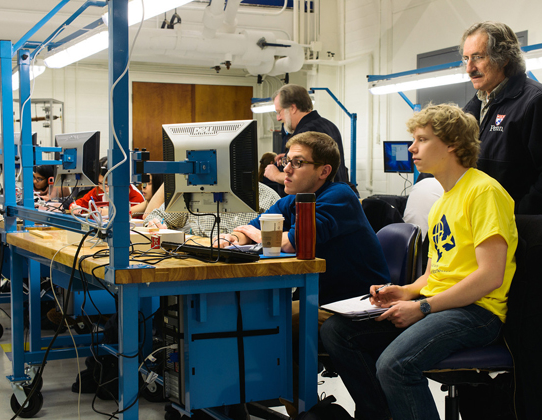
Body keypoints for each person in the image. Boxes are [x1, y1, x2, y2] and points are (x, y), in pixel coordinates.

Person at [320, 104, 518, 420]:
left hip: (476, 311)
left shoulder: (483, 192)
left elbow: (490, 276)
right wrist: (405, 292)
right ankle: (379, 414)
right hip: (440, 304)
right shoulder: (442, 203)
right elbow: (434, 272)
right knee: (336, 332)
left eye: (422, 139)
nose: (412, 148)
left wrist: (423, 307)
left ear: (452, 144)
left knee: (396, 366)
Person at [216, 131, 390, 417]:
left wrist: (261, 235)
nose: (286, 169)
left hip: (356, 305)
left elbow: (291, 241)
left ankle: (317, 410)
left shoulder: (340, 196)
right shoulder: (295, 199)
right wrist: (235, 238)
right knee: (257, 318)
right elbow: (255, 226)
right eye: (287, 161)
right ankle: (303, 409)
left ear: (324, 170)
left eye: (298, 162)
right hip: (322, 300)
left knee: (268, 322)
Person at [461, 21, 542, 222]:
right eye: (466, 59)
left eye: (478, 57)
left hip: (522, 232)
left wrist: (516, 216)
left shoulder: (537, 101)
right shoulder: (473, 108)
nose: (469, 68)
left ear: (505, 57)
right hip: (482, 226)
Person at [263, 85, 350, 190]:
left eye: (279, 112)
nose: (278, 118)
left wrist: (275, 175)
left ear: (293, 108)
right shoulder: (329, 125)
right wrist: (291, 157)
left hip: (316, 201)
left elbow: (303, 178)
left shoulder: (306, 134)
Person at [144, 182, 281, 237]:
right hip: (200, 272)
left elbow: (281, 247)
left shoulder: (266, 198)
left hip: (249, 276)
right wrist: (156, 224)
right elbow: (155, 215)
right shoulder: (193, 192)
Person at [69, 157, 144, 214]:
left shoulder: (135, 198)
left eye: (108, 184)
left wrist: (102, 212)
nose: (104, 188)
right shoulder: (99, 190)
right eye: (100, 183)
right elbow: (79, 203)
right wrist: (75, 207)